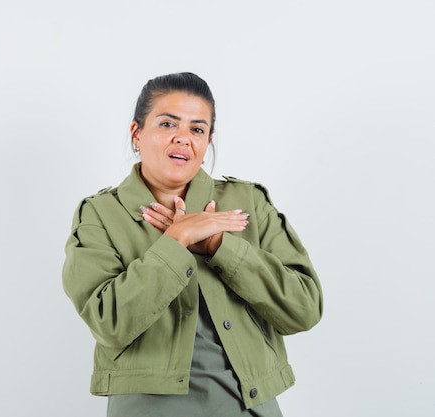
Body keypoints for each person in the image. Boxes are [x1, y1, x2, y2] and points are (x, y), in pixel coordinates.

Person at [62, 72, 323, 417]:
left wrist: (219, 246)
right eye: (168, 124)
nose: (183, 139)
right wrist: (176, 240)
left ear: (208, 140)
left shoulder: (248, 202)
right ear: (137, 133)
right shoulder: (99, 214)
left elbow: (303, 309)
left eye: (197, 129)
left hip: (249, 407)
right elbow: (109, 322)